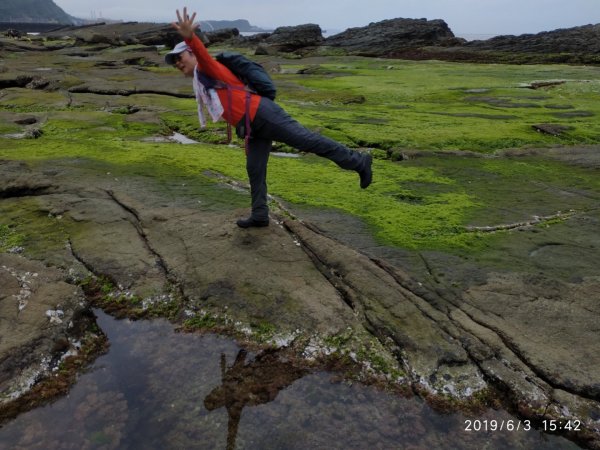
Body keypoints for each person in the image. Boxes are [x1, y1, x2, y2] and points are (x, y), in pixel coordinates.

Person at [167, 7, 373, 228]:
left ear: (191, 53)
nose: (178, 64)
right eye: (174, 62)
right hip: (252, 127)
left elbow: (203, 56)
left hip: (263, 113)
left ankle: (358, 161)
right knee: (254, 168)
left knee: (308, 140)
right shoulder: (202, 81)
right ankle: (260, 215)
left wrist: (191, 39)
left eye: (179, 58)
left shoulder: (210, 69)